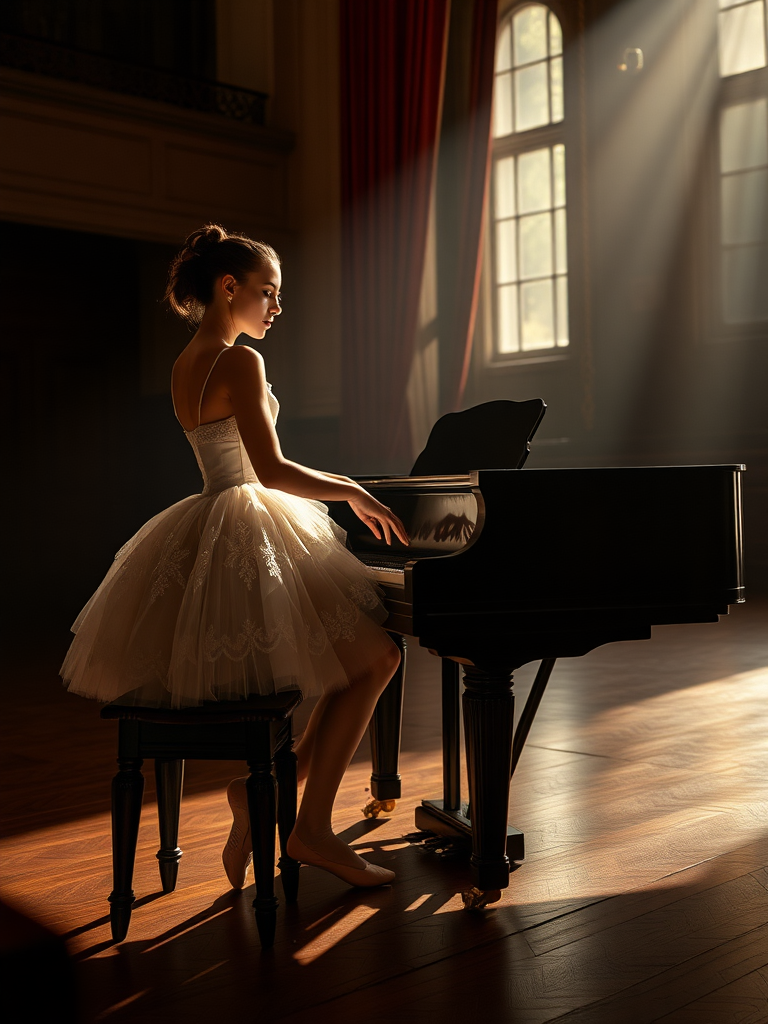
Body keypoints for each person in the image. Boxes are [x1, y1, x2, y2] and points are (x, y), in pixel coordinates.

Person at [60, 223, 409, 889]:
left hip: (210, 520)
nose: (277, 307)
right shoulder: (240, 360)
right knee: (377, 658)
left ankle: (268, 803)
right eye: (268, 292)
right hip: (248, 522)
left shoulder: (185, 362)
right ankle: (309, 829)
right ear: (229, 288)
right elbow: (270, 470)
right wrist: (351, 490)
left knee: (356, 664)